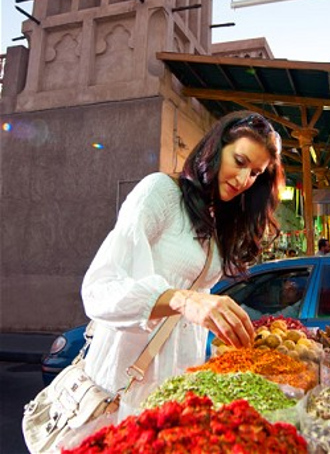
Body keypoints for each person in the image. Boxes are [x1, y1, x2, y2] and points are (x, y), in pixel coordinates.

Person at [80, 111, 284, 412]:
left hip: (178, 390)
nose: (243, 180)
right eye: (239, 162)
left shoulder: (219, 218)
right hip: (122, 386)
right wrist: (183, 300)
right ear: (216, 149)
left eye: (254, 173)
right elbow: (98, 291)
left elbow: (196, 300)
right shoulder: (160, 191)